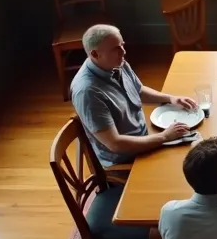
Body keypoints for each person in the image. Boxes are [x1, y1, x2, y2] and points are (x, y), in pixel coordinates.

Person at [70, 24, 198, 169]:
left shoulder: (115, 63)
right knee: (186, 165)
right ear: (94, 54)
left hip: (146, 137)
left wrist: (170, 99)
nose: (123, 52)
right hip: (127, 160)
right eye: (116, 49)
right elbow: (115, 144)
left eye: (122, 45)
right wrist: (164, 137)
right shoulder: (87, 92)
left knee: (195, 147)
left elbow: (138, 90)